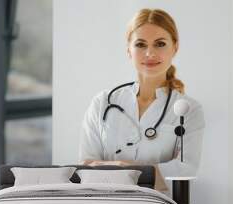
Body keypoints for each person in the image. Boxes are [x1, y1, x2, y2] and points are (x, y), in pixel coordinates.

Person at [78, 8, 205, 191]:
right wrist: (148, 172)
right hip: (105, 203)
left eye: (160, 44)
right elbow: (85, 167)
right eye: (141, 44)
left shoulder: (189, 109)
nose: (150, 53)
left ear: (175, 48)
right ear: (129, 50)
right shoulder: (102, 103)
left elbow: (184, 171)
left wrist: (118, 168)